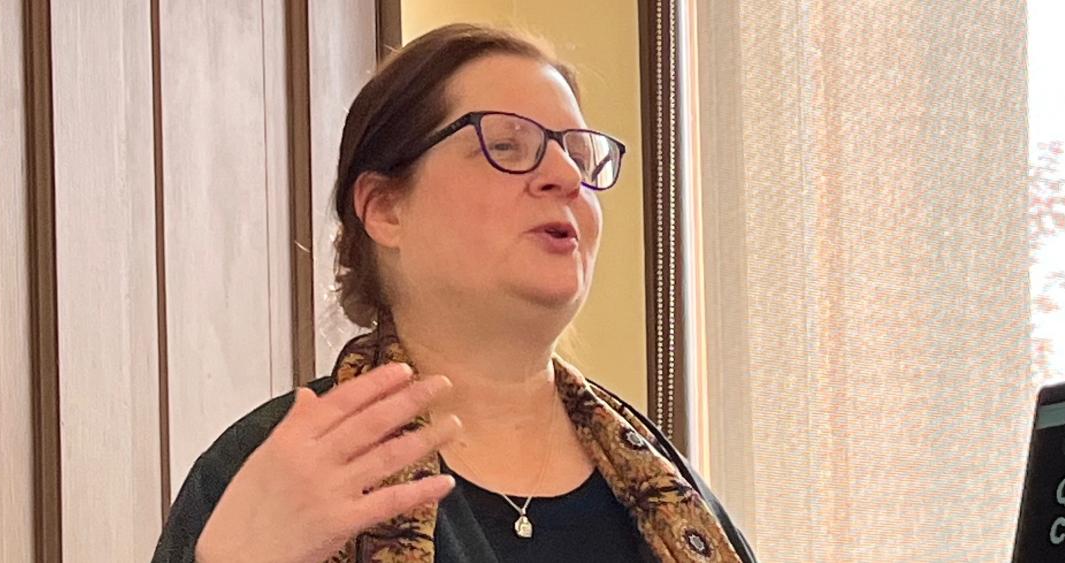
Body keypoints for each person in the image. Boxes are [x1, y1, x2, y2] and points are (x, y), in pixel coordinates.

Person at [152, 23, 756, 563]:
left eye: (577, 155)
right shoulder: (272, 467)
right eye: (507, 145)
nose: (567, 177)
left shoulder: (667, 491)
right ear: (386, 209)